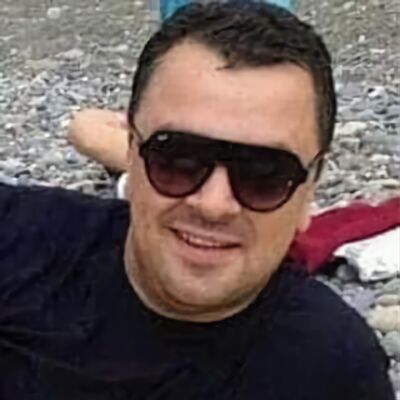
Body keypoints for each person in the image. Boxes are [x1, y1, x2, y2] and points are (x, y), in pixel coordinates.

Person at [0, 2, 395, 399]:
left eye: (264, 173)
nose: (213, 204)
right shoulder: (16, 243)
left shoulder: (332, 371)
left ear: (309, 189)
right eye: (178, 159)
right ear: (131, 155)